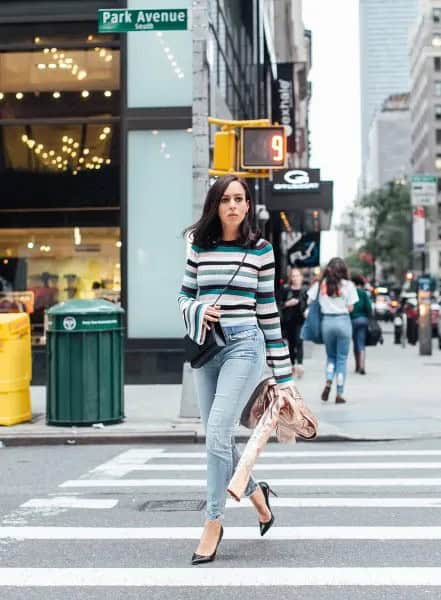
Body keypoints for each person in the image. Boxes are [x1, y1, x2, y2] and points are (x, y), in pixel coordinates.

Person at [178, 175, 294, 565]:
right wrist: (198, 309)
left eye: (239, 199)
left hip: (245, 344)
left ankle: (213, 522)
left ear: (247, 206)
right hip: (207, 344)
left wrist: (283, 375)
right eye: (225, 198)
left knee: (216, 433)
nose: (232, 205)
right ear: (216, 205)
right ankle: (256, 492)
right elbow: (184, 295)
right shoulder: (199, 246)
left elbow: (268, 311)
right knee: (219, 437)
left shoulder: (260, 250)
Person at [307, 257, 358, 404]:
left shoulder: (321, 284)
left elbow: (310, 300)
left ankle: (329, 380)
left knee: (331, 357)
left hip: (327, 323)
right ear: (343, 270)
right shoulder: (348, 285)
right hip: (343, 322)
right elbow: (350, 308)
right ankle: (340, 393)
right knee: (341, 358)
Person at [279, 267, 307, 377]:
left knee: (299, 340)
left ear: (301, 277)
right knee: (291, 343)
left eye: (297, 276)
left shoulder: (305, 290)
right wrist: (287, 304)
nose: (295, 278)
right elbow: (279, 303)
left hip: (301, 319)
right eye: (293, 276)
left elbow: (310, 303)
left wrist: (307, 310)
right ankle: (292, 365)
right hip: (289, 320)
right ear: (290, 278)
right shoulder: (286, 289)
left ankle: (300, 364)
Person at [350, 273, 372, 375]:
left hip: (352, 320)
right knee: (361, 343)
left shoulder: (350, 292)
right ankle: (363, 366)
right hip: (363, 320)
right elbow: (369, 307)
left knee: (355, 343)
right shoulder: (363, 293)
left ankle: (357, 366)